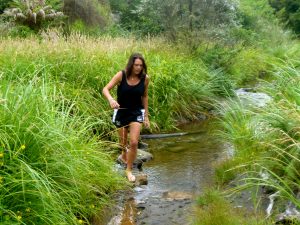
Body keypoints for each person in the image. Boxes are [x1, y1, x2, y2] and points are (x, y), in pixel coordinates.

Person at [102, 53, 150, 182]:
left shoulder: (145, 78)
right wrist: (111, 100)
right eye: (136, 65)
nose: (138, 68)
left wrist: (146, 116)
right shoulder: (121, 75)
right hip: (121, 111)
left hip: (136, 112)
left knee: (134, 142)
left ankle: (128, 170)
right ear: (131, 64)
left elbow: (145, 96)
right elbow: (105, 89)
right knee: (122, 144)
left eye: (141, 65)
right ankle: (123, 155)